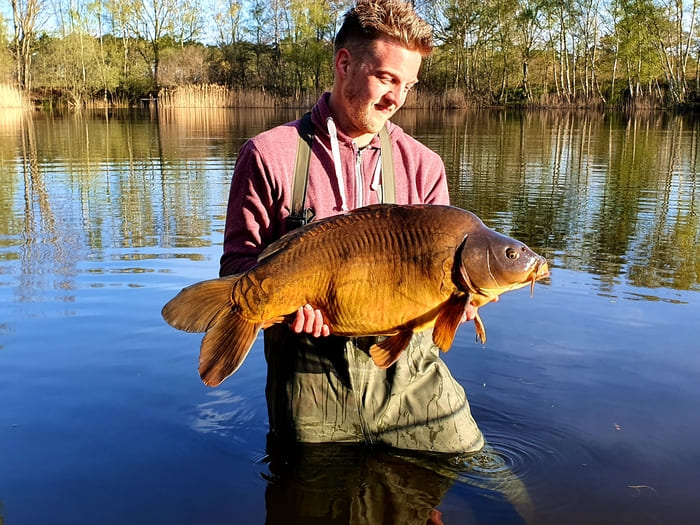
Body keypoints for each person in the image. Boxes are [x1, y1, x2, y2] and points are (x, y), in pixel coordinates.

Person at [220, 0, 485, 454]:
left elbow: (445, 285)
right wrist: (286, 310)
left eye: (408, 85)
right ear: (344, 64)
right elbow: (236, 270)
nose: (397, 98)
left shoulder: (424, 166)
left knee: (482, 471)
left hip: (411, 382)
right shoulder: (269, 155)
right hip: (310, 387)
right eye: (386, 78)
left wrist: (462, 304)